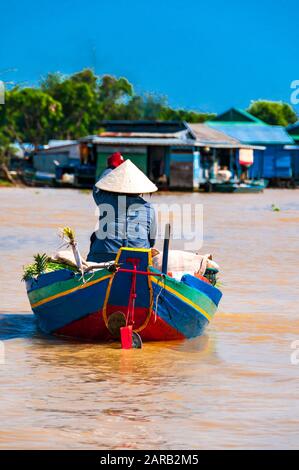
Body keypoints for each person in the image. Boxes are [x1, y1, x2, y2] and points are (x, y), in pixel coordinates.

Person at [87, 159, 158, 263]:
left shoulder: (106, 200)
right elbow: (151, 241)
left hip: (103, 255)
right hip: (138, 258)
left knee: (96, 236)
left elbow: (97, 187)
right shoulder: (149, 209)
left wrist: (111, 167)